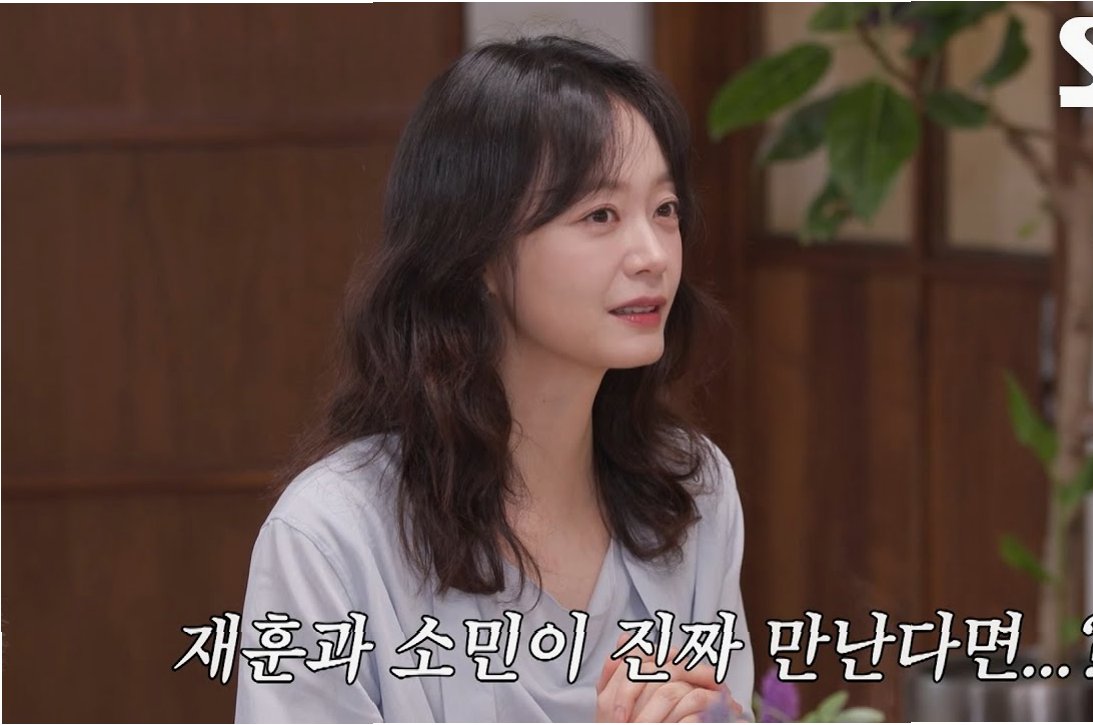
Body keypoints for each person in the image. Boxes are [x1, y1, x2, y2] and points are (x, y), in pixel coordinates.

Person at [234, 34, 754, 723]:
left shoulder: (691, 492)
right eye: (600, 215)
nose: (653, 254)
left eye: (665, 210)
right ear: (477, 249)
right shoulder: (331, 536)